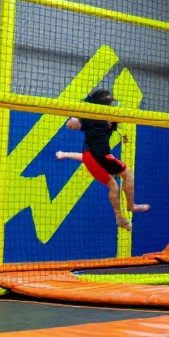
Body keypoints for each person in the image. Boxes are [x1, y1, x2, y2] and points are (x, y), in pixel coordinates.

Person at [56, 89, 148, 231]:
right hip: (92, 155)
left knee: (127, 174)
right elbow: (70, 124)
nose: (110, 104)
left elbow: (118, 126)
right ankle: (121, 216)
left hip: (103, 155)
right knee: (114, 185)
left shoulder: (109, 117)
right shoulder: (91, 115)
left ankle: (129, 207)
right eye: (107, 102)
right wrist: (80, 115)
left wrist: (123, 135)